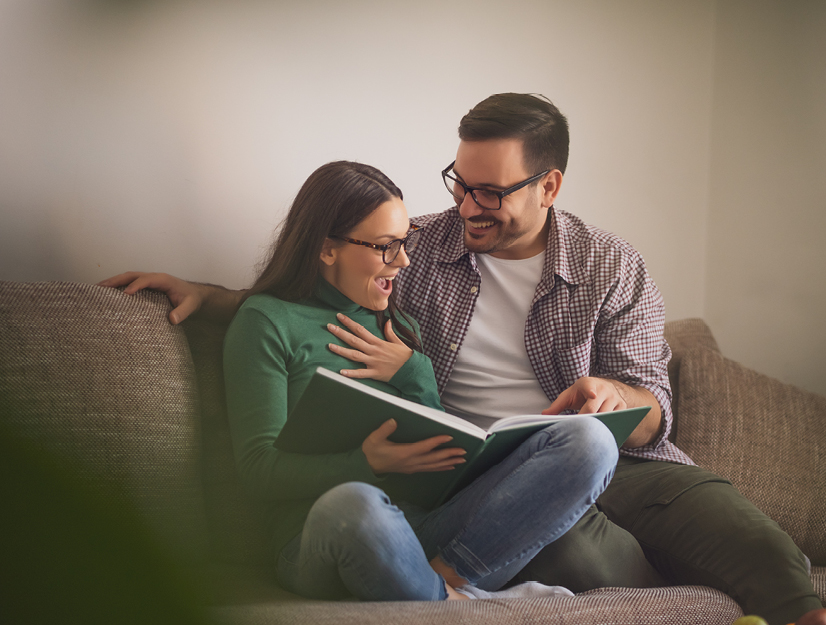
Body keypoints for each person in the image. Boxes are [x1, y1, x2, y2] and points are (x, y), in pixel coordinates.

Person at [100, 94, 826, 625]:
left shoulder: (611, 266)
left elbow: (656, 404)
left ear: (549, 185)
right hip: (479, 469)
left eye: (491, 191)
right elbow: (318, 284)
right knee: (583, 559)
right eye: (459, 184)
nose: (467, 208)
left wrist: (609, 392)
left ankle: (801, 613)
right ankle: (464, 591)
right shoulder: (420, 245)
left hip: (604, 453)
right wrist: (213, 295)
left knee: (731, 522)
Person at [216, 159, 619, 602]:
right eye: (386, 247)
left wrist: (415, 371)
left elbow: (442, 462)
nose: (403, 261)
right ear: (326, 248)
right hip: (326, 537)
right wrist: (365, 465)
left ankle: (443, 586)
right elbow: (257, 471)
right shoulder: (267, 322)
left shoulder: (400, 328)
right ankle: (469, 603)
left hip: (427, 533)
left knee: (590, 440)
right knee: (355, 503)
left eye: (404, 243)